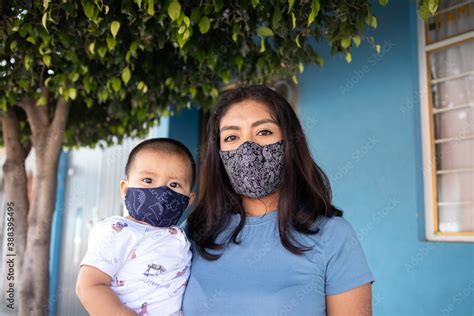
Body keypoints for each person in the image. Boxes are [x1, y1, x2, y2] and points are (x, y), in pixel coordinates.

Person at [183, 85, 375, 315]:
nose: (247, 149)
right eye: (232, 137)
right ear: (219, 152)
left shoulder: (332, 235)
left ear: (289, 143)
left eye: (264, 132)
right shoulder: (195, 231)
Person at [76, 138, 196, 316]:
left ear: (189, 201)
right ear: (125, 189)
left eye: (174, 184)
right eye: (148, 180)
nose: (161, 192)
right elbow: (88, 285)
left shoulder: (182, 235)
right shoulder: (117, 231)